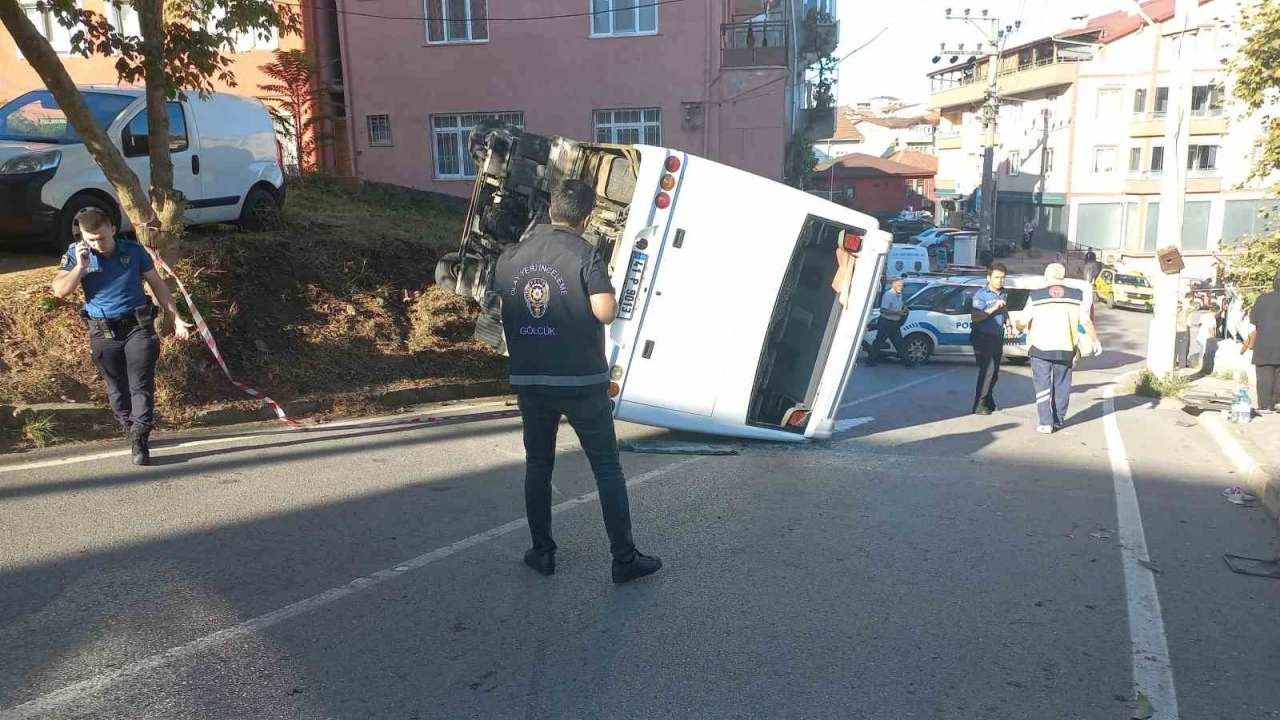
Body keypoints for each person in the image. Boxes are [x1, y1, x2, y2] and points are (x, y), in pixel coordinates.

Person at [494, 179, 661, 584]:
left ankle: (542, 552)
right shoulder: (585, 254)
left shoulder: (510, 257)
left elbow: (505, 311)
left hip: (531, 379)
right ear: (585, 218)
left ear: (552, 210)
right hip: (581, 380)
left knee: (538, 465)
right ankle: (624, 559)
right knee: (606, 468)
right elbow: (605, 312)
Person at [50, 209, 193, 465]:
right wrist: (81, 267)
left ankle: (140, 436)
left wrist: (176, 317)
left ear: (112, 229)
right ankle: (130, 427)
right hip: (103, 331)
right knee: (116, 388)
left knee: (140, 383)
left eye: (102, 238)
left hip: (137, 327)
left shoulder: (133, 251)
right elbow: (60, 291)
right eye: (90, 239)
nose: (97, 244)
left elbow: (157, 284)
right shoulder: (76, 254)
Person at [1017, 263, 1099, 434]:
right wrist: (1095, 341)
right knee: (1062, 385)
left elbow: (1023, 322)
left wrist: (1018, 326)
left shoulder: (1036, 295)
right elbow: (1086, 321)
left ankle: (1046, 422)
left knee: (1042, 385)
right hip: (1065, 347)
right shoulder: (1077, 295)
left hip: (1040, 348)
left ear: (1046, 276)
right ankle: (1058, 420)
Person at [970, 263, 1011, 415]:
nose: (1000, 281)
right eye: (997, 277)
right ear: (988, 278)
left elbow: (1004, 310)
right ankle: (979, 404)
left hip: (997, 336)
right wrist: (993, 307)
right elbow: (975, 317)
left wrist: (1008, 323)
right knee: (987, 370)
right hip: (982, 336)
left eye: (1003, 278)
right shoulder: (981, 295)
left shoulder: (1003, 293)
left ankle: (988, 398)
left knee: (995, 372)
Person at [1244, 271, 1280, 415]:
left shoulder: (1263, 299)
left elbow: (1252, 323)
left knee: (1265, 375)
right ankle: (1276, 404)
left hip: (1264, 344)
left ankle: (1264, 406)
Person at [867, 275, 913, 367]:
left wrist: (904, 309)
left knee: (899, 343)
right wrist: (898, 313)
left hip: (894, 324)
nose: (902, 288)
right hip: (886, 323)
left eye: (903, 286)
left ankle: (907, 362)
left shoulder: (899, 295)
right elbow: (883, 310)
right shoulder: (888, 295)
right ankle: (870, 361)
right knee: (879, 342)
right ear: (894, 285)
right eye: (900, 286)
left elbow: (899, 305)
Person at [1174, 295, 1192, 370]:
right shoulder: (1181, 313)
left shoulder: (1180, 313)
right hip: (1179, 332)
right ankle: (1178, 366)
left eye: (1180, 307)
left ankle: (1178, 366)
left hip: (1179, 332)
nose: (1179, 308)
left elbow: (1193, 307)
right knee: (1177, 351)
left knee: (1179, 351)